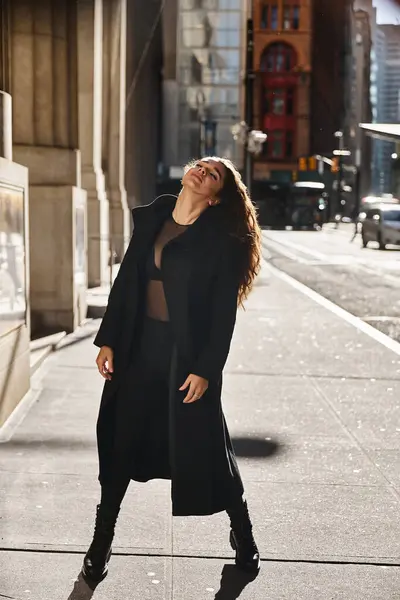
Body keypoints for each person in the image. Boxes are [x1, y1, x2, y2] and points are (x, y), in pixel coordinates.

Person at [82, 157, 262, 587]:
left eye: (213, 174)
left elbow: (222, 314)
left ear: (216, 195)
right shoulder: (157, 214)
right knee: (119, 443)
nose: (203, 170)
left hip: (186, 360)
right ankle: (100, 542)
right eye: (201, 165)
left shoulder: (220, 239)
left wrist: (206, 369)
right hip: (138, 350)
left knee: (209, 451)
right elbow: (127, 280)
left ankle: (244, 532)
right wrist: (109, 339)